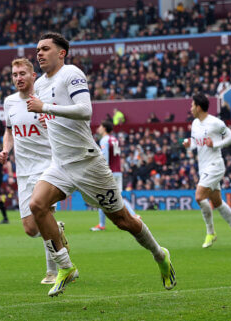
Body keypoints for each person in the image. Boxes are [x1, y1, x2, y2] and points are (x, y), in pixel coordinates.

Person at [26, 32, 175, 297]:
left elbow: (86, 111)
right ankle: (66, 267)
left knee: (122, 220)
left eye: (45, 49)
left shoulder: (71, 73)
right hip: (61, 164)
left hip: (87, 163)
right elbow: (54, 118)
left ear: (61, 53)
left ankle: (159, 254)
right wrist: (45, 119)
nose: (39, 53)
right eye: (37, 49)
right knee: (37, 205)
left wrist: (46, 108)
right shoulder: (38, 85)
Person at [0, 58, 69, 285]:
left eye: (22, 74)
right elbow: (9, 131)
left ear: (32, 76)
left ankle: (53, 271)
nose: (18, 78)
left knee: (42, 214)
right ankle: (56, 231)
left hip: (47, 167)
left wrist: (53, 125)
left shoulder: (44, 100)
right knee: (30, 229)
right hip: (24, 171)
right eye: (14, 74)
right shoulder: (9, 103)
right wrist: (5, 149)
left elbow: (64, 127)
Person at [183, 93, 231, 249]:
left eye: (192, 105)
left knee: (199, 197)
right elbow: (196, 144)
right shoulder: (195, 124)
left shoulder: (216, 123)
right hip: (203, 167)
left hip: (215, 165)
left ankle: (210, 232)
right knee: (217, 202)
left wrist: (216, 144)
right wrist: (188, 145)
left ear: (198, 107)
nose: (190, 108)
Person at [90, 120, 140, 231]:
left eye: (100, 126)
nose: (98, 128)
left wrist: (102, 172)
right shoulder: (114, 139)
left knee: (101, 197)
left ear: (104, 128)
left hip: (109, 172)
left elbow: (105, 157)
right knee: (117, 196)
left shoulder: (104, 140)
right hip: (118, 171)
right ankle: (134, 215)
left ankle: (102, 225)